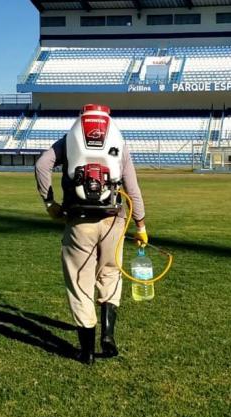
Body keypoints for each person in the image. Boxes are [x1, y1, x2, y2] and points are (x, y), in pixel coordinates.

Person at [35, 104, 147, 365]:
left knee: (79, 281)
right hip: (114, 221)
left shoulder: (69, 139)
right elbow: (133, 187)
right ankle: (107, 337)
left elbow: (42, 165)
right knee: (110, 273)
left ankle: (85, 352)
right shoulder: (119, 141)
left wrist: (50, 203)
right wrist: (140, 225)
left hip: (78, 221)